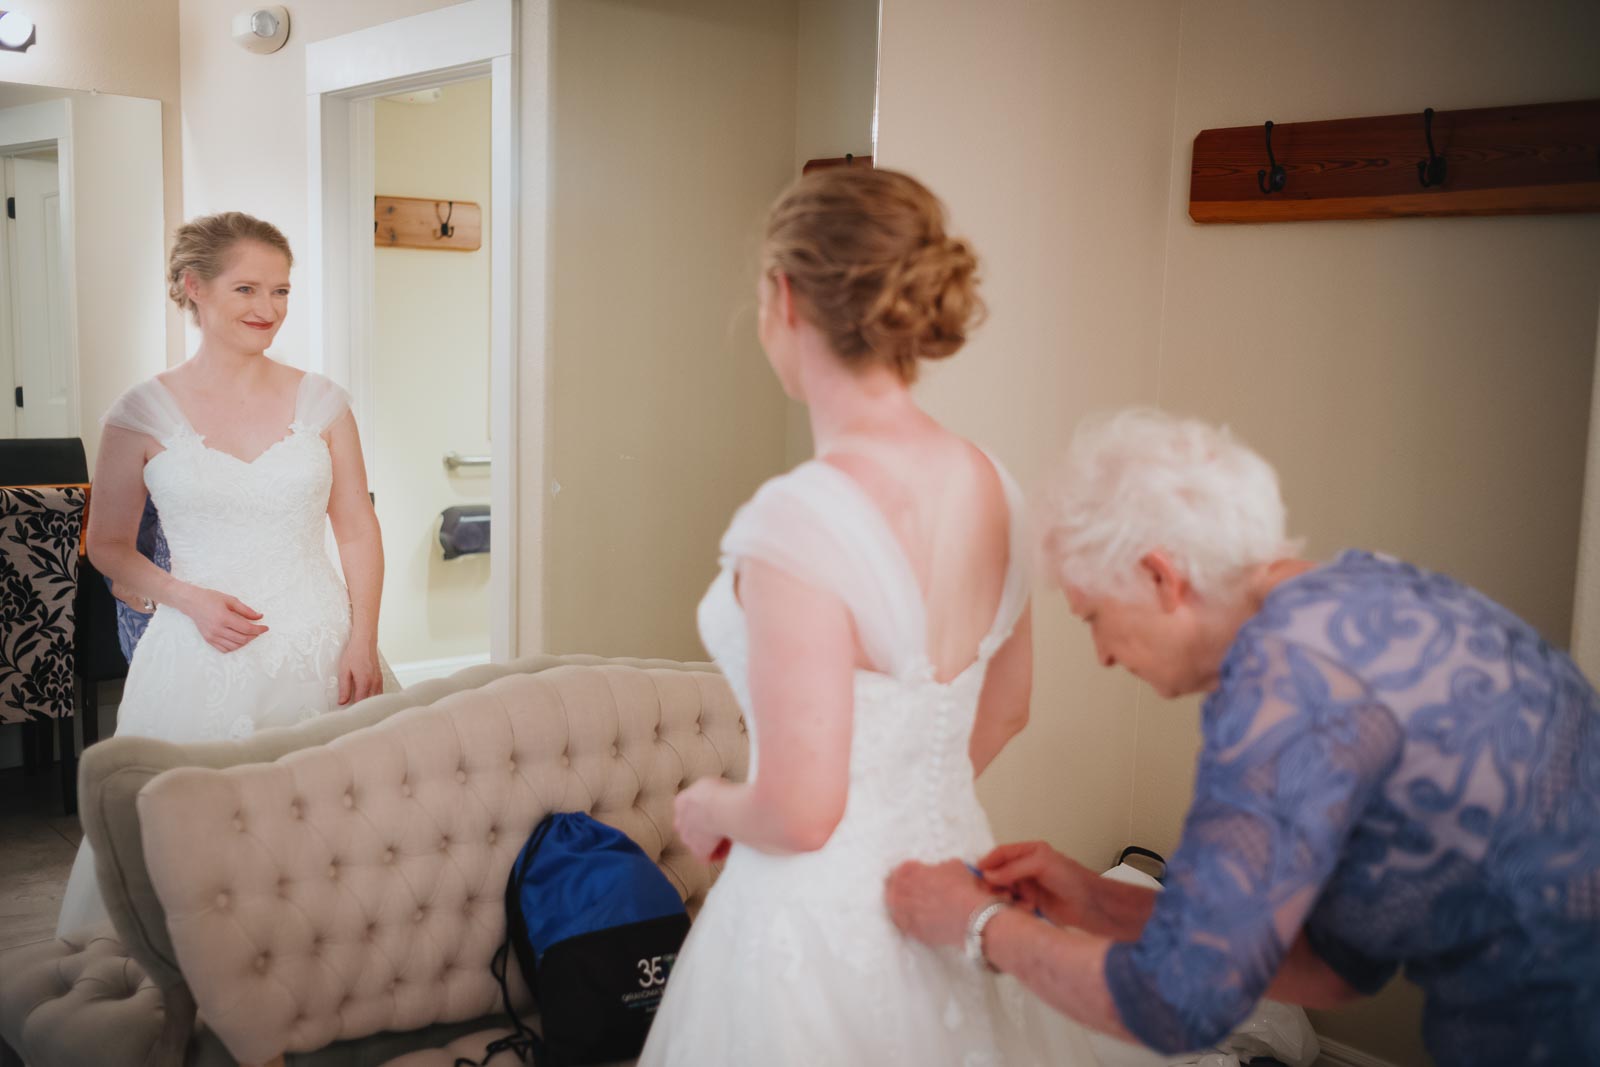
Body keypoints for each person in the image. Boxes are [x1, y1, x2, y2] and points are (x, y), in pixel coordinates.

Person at [886, 409, 1600, 1066]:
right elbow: (1325, 963)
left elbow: (1176, 1003)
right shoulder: (1365, 589)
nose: (1102, 653)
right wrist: (1093, 902)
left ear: (1160, 576)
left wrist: (977, 922)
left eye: (1092, 615)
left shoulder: (1286, 679)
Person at [638, 167, 1099, 1065]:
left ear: (783, 296)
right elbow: (1006, 708)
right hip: (951, 873)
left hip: (814, 918)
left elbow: (805, 812)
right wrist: (897, 807)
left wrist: (708, 805)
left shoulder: (797, 517)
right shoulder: (993, 484)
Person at [56, 211, 384, 935]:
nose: (267, 310)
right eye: (246, 289)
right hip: (197, 654)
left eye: (281, 290)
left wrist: (363, 639)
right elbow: (107, 544)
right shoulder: (140, 412)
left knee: (331, 838)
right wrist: (186, 598)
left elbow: (356, 526)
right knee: (197, 850)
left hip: (322, 648)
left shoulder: (322, 402)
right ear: (192, 288)